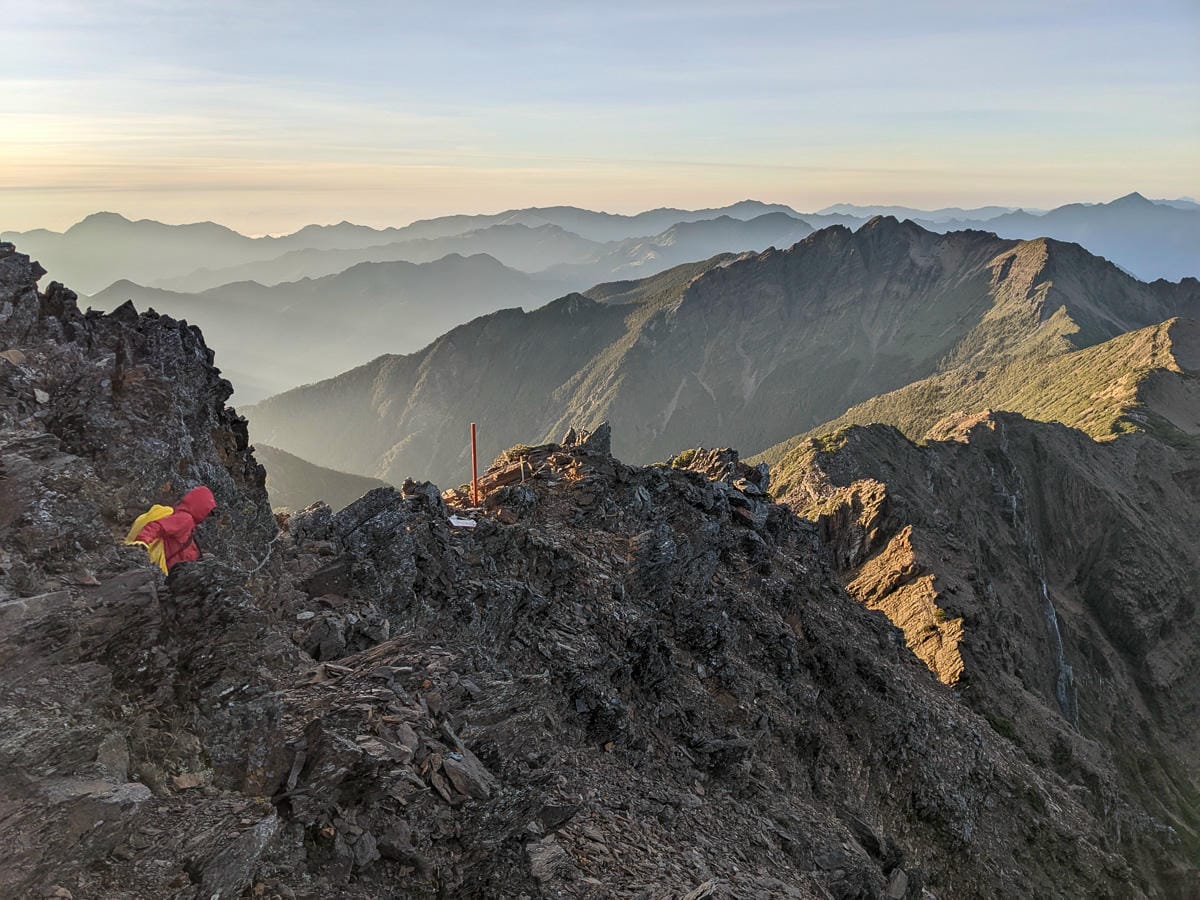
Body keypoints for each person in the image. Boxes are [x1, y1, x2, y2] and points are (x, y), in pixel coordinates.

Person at [126, 486, 217, 573]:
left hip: (182, 568)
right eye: (208, 512)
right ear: (200, 507)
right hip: (174, 571)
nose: (207, 516)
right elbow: (157, 526)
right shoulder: (185, 519)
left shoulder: (185, 518)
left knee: (210, 559)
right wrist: (142, 541)